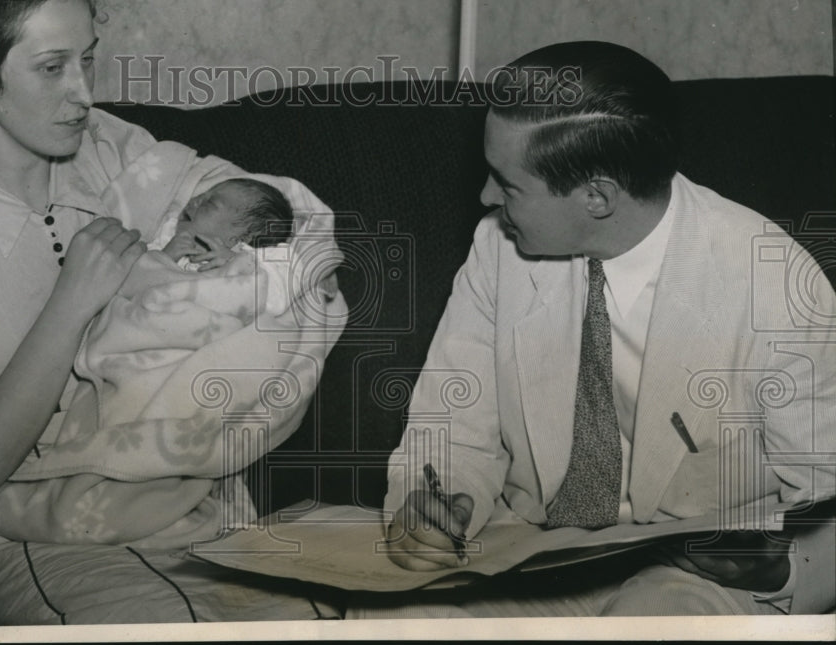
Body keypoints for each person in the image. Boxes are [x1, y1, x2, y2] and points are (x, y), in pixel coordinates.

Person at [0, 0, 345, 624]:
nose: (84, 93)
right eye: (52, 67)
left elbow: (280, 216)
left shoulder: (114, 148)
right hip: (33, 537)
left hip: (200, 505)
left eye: (87, 58)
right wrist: (71, 303)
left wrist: (269, 276)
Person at [352, 41, 836, 617]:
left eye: (507, 184)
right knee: (404, 621)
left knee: (653, 622)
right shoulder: (498, 249)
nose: (485, 197)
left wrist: (777, 566)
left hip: (690, 579)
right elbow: (455, 425)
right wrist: (426, 508)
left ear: (598, 196)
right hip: (536, 550)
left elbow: (825, 492)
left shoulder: (775, 284)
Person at [157, 177, 294, 272]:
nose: (193, 200)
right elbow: (138, 283)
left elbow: (278, 291)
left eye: (209, 203)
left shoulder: (258, 264)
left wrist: (235, 263)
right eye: (199, 196)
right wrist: (163, 258)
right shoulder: (163, 237)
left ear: (242, 237)